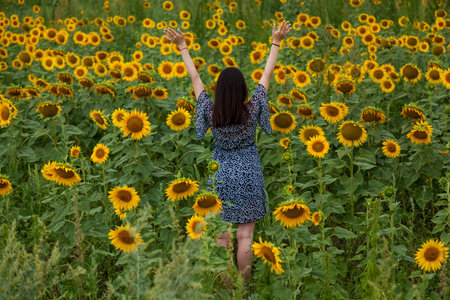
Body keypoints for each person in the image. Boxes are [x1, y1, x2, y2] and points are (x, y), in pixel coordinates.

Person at [163, 21, 291, 281]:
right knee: (246, 236)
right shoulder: (253, 108)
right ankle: (243, 290)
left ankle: (226, 289)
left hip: (221, 174)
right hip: (249, 172)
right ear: (243, 89)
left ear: (218, 91)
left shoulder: (211, 112)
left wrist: (183, 47)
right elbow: (267, 75)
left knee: (222, 235)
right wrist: (276, 41)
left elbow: (195, 78)